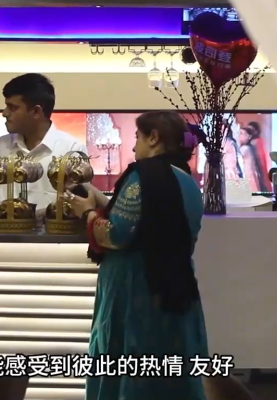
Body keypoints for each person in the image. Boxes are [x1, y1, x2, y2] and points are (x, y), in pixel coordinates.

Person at [66, 110, 209, 400]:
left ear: (153, 138)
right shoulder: (187, 181)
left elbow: (117, 234)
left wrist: (88, 212)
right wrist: (101, 200)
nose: (133, 147)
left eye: (137, 137)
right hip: (175, 288)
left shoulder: (143, 175)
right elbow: (145, 220)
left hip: (135, 290)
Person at [0, 73, 88, 221]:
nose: (5, 113)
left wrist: (35, 216)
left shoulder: (71, 149)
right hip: (4, 233)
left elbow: (79, 204)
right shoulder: (0, 146)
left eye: (12, 107)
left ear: (36, 111)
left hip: (52, 235)